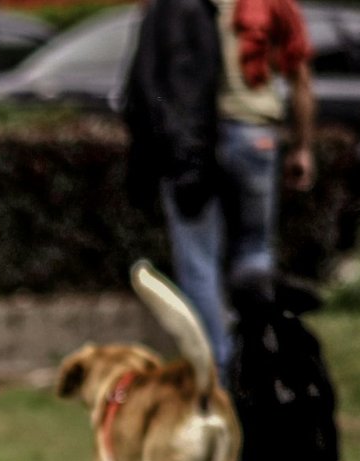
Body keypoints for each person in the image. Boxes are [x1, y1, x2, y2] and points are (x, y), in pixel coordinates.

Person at [122, 0, 316, 379]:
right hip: (255, 135)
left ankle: (218, 376)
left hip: (197, 137)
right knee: (255, 252)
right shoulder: (273, 4)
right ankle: (260, 366)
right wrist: (303, 147)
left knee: (199, 263)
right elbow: (301, 79)